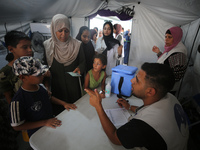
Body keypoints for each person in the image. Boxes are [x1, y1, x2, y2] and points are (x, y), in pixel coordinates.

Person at [85, 62, 189, 150]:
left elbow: (115, 138)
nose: (132, 81)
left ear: (150, 91)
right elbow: (148, 110)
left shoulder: (144, 126)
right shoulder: (170, 97)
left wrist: (98, 106)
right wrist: (129, 107)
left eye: (137, 80)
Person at [10, 56, 77, 137]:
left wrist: (64, 103)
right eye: (38, 74)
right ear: (23, 77)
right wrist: (45, 122)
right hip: (38, 134)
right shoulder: (18, 100)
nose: (43, 75)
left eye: (42, 72)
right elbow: (16, 126)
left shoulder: (40, 86)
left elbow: (48, 97)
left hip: (51, 124)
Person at [43, 14, 85, 115]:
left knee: (76, 110)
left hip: (73, 86)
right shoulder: (47, 45)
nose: (63, 34)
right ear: (53, 30)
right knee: (60, 113)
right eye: (60, 30)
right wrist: (45, 71)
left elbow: (83, 61)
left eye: (66, 31)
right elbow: (44, 64)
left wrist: (80, 68)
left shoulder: (77, 45)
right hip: (57, 86)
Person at [0, 31, 33, 104]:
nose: (30, 50)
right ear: (11, 49)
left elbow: (45, 80)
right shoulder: (5, 73)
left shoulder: (33, 64)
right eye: (25, 47)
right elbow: (10, 101)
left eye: (30, 47)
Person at [152, 26, 187, 93]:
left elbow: (176, 76)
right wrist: (158, 52)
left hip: (168, 88)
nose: (166, 40)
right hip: (162, 84)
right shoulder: (172, 48)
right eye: (166, 37)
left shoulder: (179, 53)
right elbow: (167, 60)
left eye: (170, 37)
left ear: (176, 37)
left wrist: (158, 77)